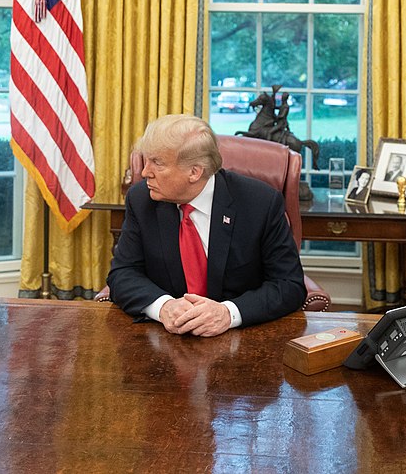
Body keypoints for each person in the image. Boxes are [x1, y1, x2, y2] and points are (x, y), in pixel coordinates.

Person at [107, 114, 307, 336]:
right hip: (164, 337)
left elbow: (289, 285)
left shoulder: (260, 203)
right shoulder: (141, 199)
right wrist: (163, 306)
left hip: (240, 340)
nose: (145, 173)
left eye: (158, 163)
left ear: (194, 172)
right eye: (146, 160)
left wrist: (228, 313)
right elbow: (123, 273)